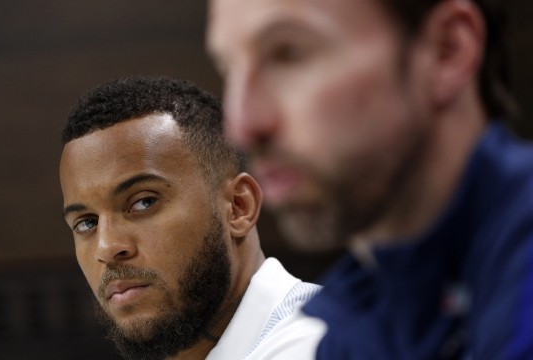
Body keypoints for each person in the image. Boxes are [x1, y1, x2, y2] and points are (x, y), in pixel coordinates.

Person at [207, 0, 533, 359]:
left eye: (288, 54)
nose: (241, 126)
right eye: (229, 68)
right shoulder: (353, 326)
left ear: (447, 51)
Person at [58, 76, 325, 359]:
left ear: (238, 206)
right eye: (87, 222)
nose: (107, 248)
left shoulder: (321, 345)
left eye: (143, 202)